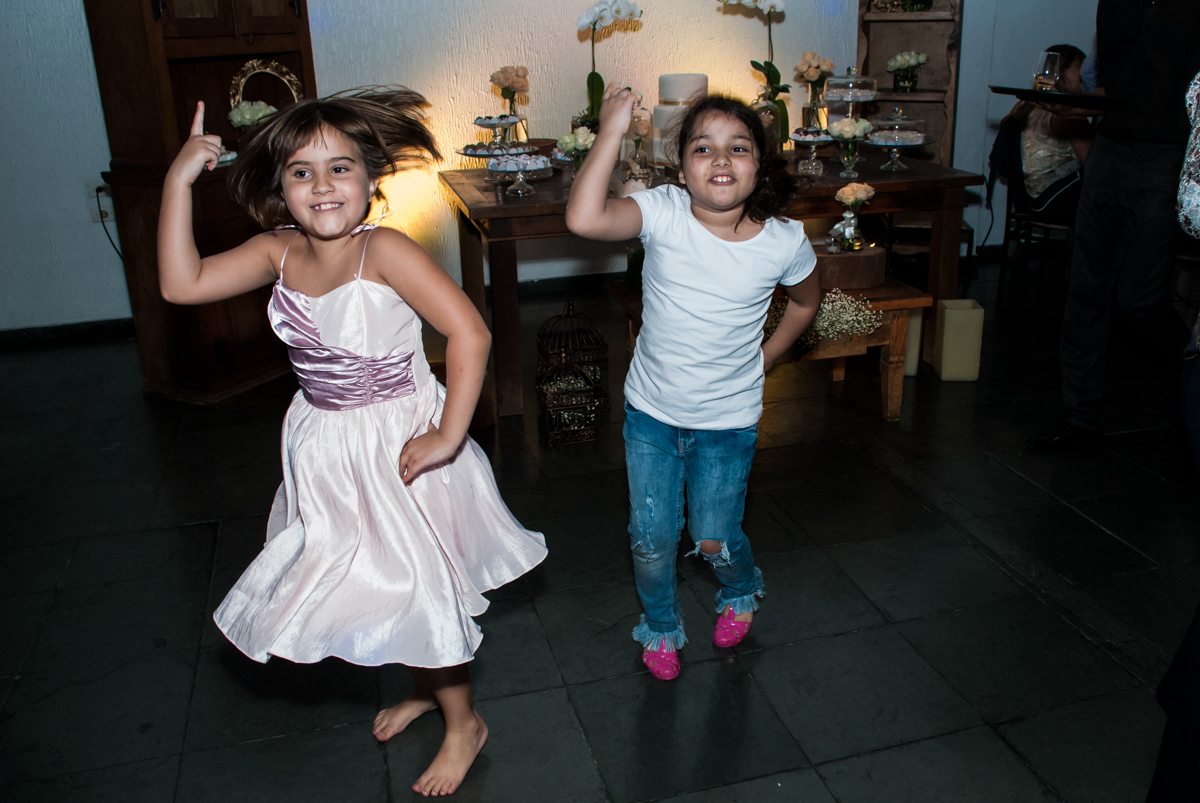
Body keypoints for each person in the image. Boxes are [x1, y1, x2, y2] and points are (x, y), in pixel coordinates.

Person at [157, 88, 547, 797]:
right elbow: (181, 285)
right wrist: (178, 181)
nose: (322, 186)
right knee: (374, 580)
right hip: (327, 449)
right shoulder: (276, 251)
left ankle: (464, 723)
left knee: (417, 580)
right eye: (301, 172)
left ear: (370, 178)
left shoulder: (384, 250)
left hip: (399, 445)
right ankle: (427, 690)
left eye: (339, 168)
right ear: (279, 187)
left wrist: (448, 434)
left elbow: (470, 331)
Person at [565, 85, 820, 680]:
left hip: (727, 423)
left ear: (760, 164)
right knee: (650, 539)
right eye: (703, 148)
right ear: (681, 169)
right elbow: (583, 218)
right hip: (652, 414)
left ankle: (740, 587)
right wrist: (611, 131)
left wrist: (767, 357)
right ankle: (660, 626)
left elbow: (807, 302)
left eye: (739, 147)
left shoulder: (784, 240)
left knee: (713, 539)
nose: (721, 159)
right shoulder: (663, 212)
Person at [1028, 0, 1200, 451]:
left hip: (1167, 157)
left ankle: (1193, 383)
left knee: (1140, 301)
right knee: (1084, 292)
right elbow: (1109, 83)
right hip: (1109, 151)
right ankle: (1080, 418)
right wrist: (1071, 105)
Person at [1001, 44, 1093, 226]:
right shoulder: (1068, 115)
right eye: (1081, 67)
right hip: (1055, 202)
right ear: (1063, 69)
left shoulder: (1023, 105)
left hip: (1025, 200)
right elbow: (1094, 163)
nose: (1087, 74)